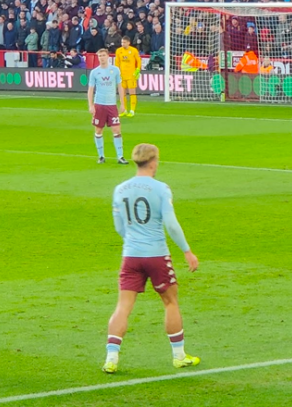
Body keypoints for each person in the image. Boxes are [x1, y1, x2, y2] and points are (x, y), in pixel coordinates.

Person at [103, 143, 200, 374]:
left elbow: (119, 227)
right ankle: (179, 356)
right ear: (154, 162)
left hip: (130, 256)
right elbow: (171, 224)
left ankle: (111, 359)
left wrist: (134, 240)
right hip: (156, 254)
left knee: (123, 306)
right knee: (170, 302)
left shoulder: (120, 189)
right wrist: (187, 250)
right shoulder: (161, 189)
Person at [88, 49, 129, 165]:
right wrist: (91, 105)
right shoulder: (94, 72)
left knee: (116, 129)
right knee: (98, 130)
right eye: (99, 56)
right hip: (99, 104)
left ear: (108, 56)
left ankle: (120, 156)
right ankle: (101, 156)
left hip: (112, 105)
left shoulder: (115, 70)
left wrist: (122, 103)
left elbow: (120, 87)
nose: (101, 57)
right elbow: (90, 90)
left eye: (103, 55)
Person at [115, 36, 142, 117]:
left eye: (124, 42)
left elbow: (138, 60)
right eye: (122, 42)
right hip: (122, 75)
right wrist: (116, 72)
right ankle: (124, 110)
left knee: (132, 93)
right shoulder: (119, 51)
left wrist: (137, 69)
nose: (122, 44)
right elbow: (117, 62)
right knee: (122, 93)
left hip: (131, 75)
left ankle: (132, 110)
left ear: (128, 43)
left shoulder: (133, 50)